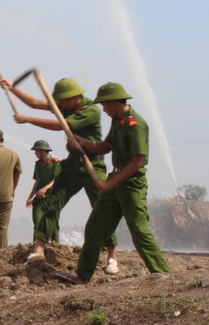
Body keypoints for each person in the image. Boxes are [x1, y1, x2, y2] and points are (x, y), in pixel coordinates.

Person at [0, 77, 118, 271]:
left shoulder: (90, 110)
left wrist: (27, 119)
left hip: (92, 166)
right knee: (51, 202)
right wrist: (12, 88)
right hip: (72, 165)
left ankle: (112, 256)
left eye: (62, 100)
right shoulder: (66, 105)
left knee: (101, 209)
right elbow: (36, 103)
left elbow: (59, 125)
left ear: (73, 98)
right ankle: (39, 249)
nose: (59, 104)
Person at [61, 82, 169, 284]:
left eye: (105, 106)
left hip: (131, 185)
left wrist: (110, 184)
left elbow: (138, 161)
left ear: (113, 103)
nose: (103, 110)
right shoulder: (118, 122)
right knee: (94, 227)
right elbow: (105, 147)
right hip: (115, 181)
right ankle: (82, 275)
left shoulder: (135, 124)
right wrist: (83, 142)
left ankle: (162, 273)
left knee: (138, 229)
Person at [25, 140, 61, 253]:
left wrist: (45, 188)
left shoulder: (56, 163)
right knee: (38, 224)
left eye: (36, 151)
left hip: (52, 199)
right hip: (39, 200)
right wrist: (30, 197)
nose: (35, 153)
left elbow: (56, 180)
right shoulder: (38, 164)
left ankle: (56, 249)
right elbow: (37, 182)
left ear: (42, 151)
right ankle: (37, 249)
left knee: (53, 225)